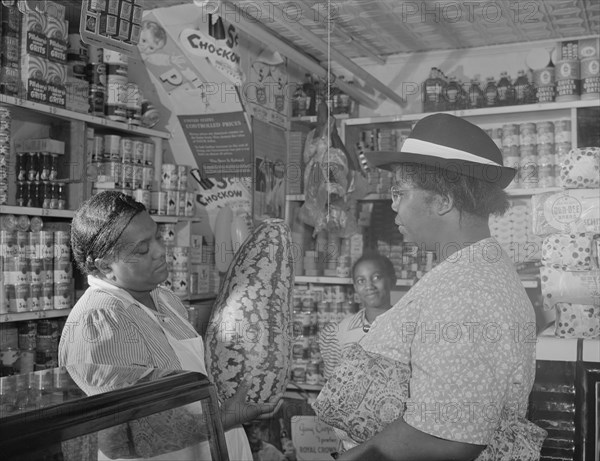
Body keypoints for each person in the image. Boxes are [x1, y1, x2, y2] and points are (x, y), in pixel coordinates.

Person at [314, 113, 544, 460]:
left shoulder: (470, 291)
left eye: (400, 193)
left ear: (442, 200)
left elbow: (447, 438)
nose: (392, 205)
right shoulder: (467, 270)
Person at [59, 191, 278, 461]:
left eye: (157, 237)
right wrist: (223, 418)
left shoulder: (163, 298)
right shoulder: (100, 321)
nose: (161, 251)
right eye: (142, 249)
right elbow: (118, 439)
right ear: (105, 267)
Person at [318, 252, 397, 380]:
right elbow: (331, 385)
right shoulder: (340, 333)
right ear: (355, 287)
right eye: (361, 281)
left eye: (376, 277)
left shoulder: (408, 328)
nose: (369, 286)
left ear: (392, 280)